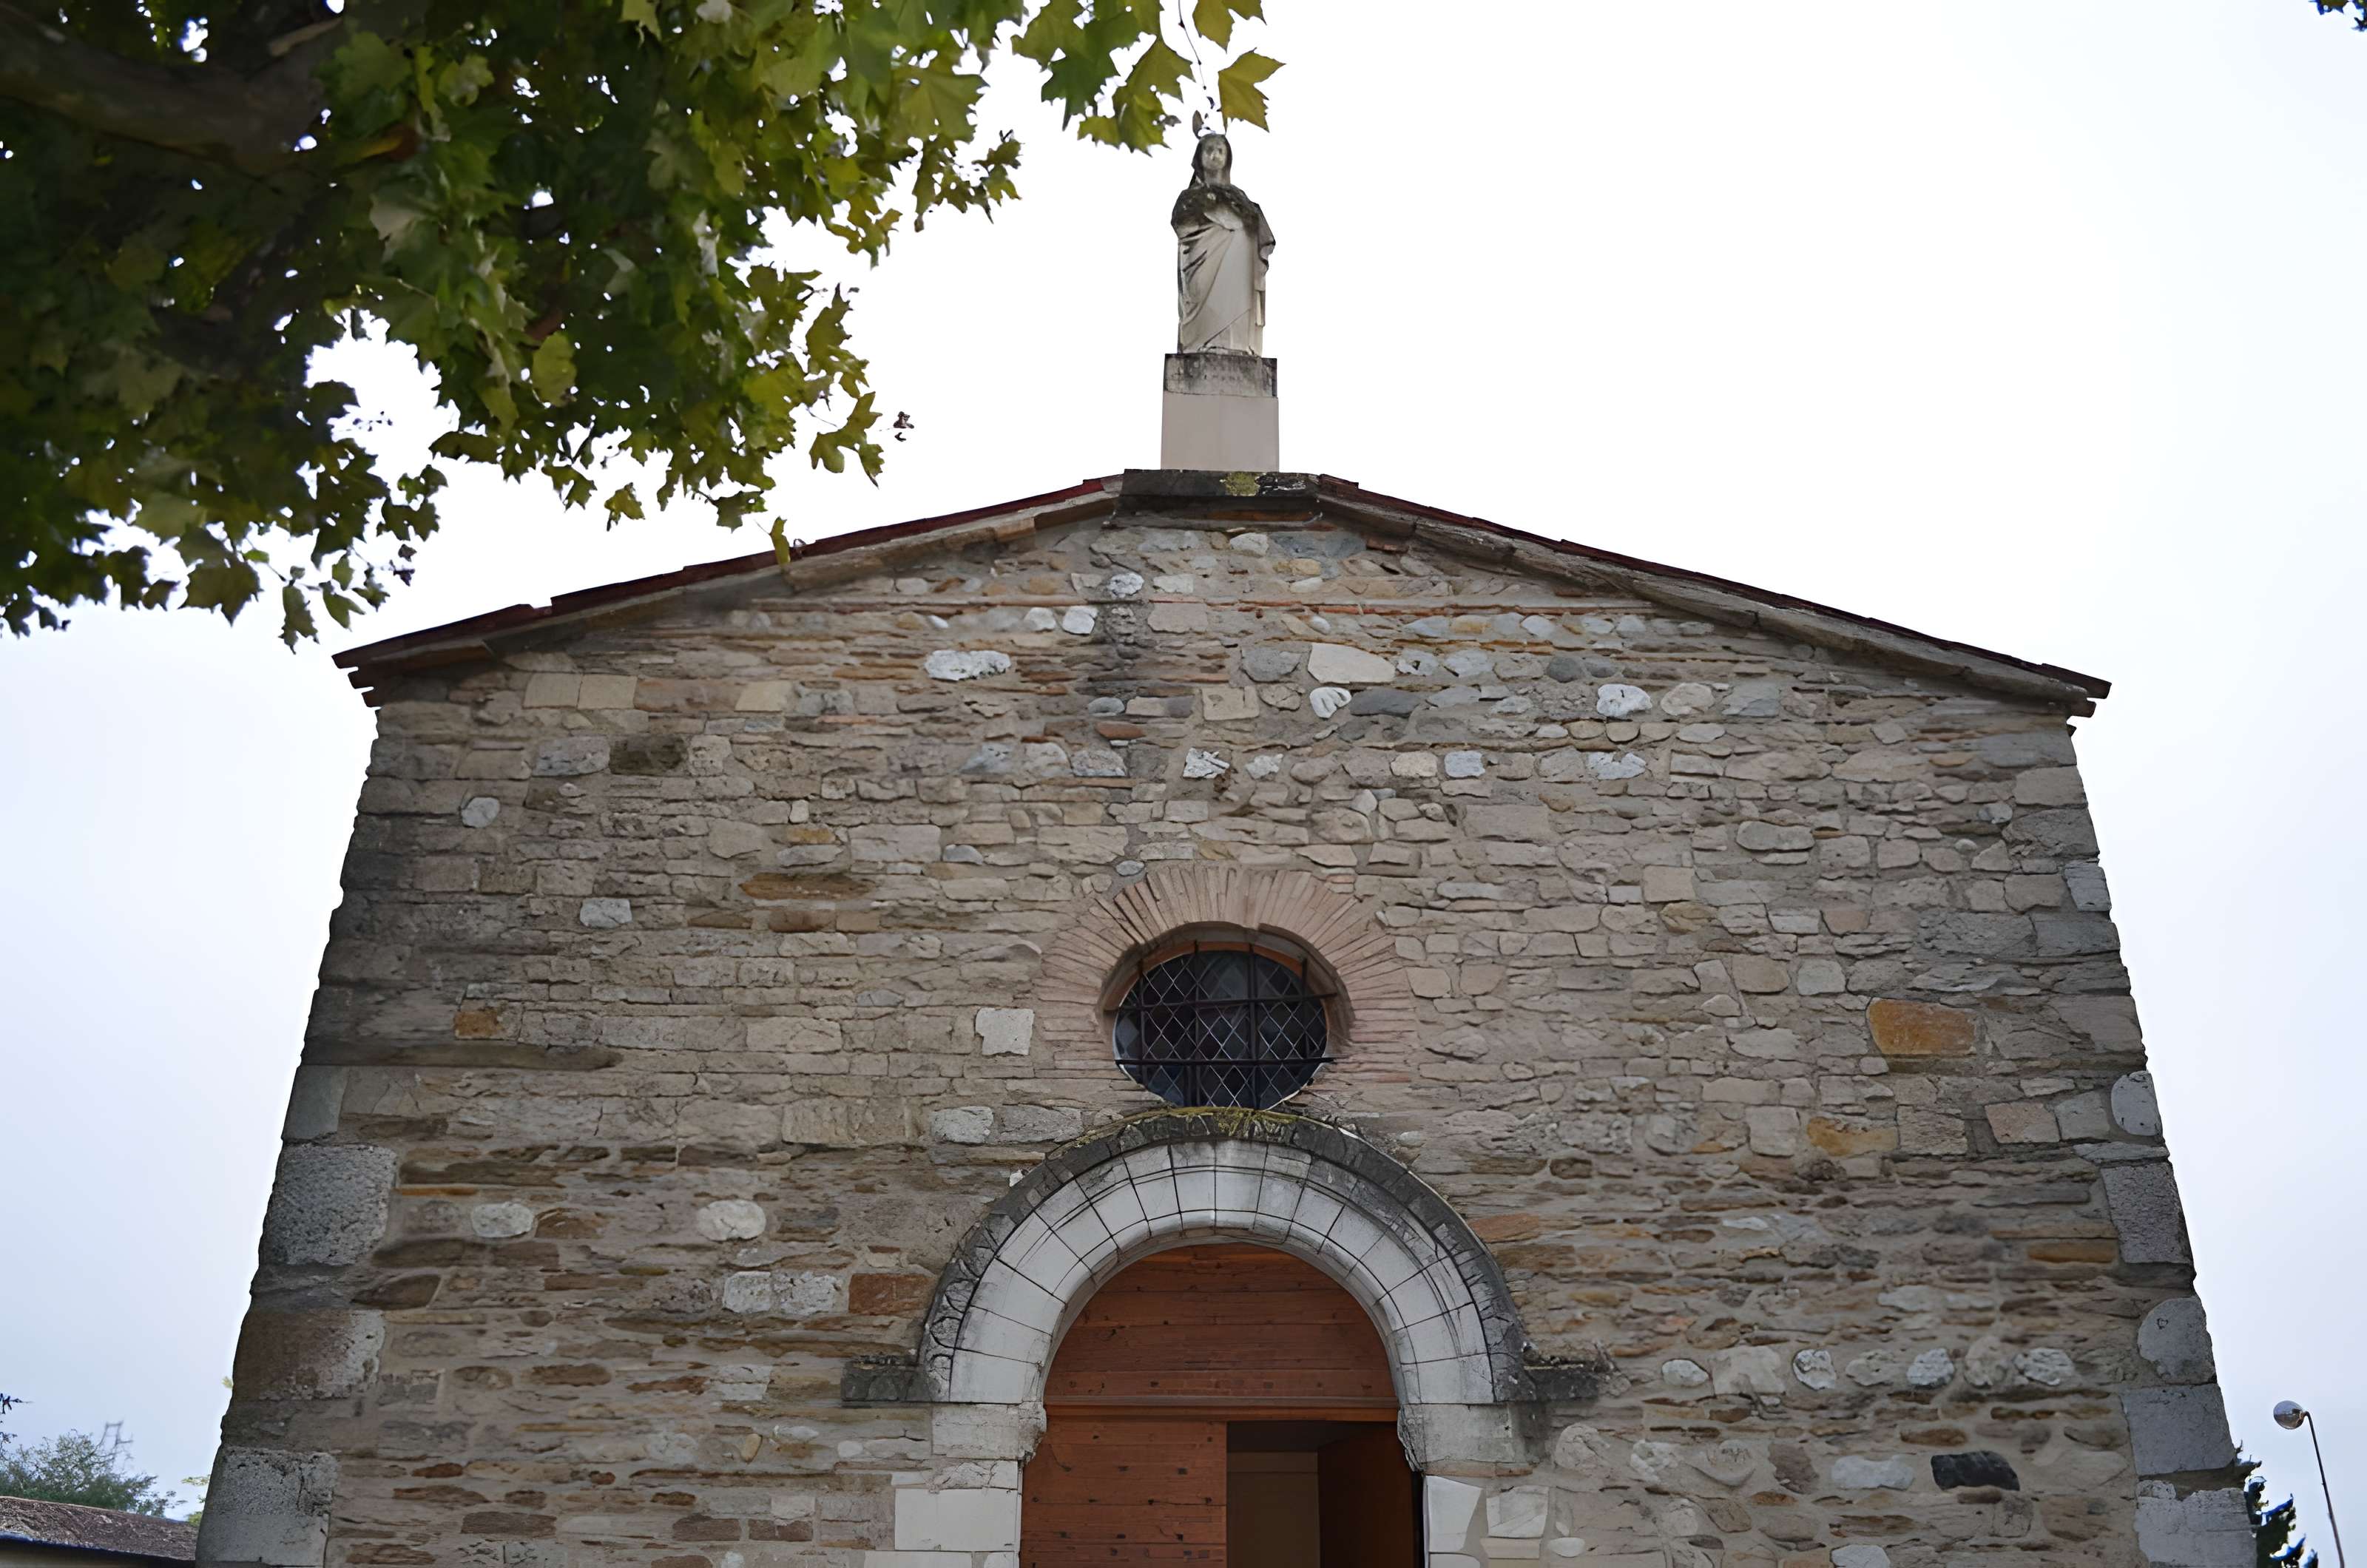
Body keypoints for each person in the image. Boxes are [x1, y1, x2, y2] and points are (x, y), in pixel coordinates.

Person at [1172, 132, 1275, 356]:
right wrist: (1211, 209)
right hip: (1201, 260)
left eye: (1220, 150)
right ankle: (1199, 343)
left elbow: (1257, 226)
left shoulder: (1239, 197)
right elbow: (1181, 224)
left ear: (1228, 157)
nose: (1215, 155)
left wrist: (1242, 215)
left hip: (1237, 267)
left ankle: (1235, 344)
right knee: (1200, 300)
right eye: (1209, 150)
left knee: (1234, 303)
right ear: (1199, 157)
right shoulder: (1189, 197)